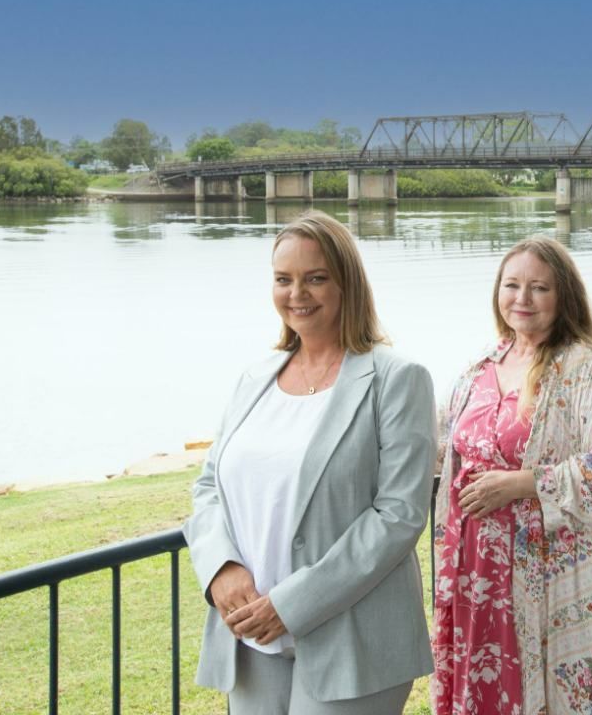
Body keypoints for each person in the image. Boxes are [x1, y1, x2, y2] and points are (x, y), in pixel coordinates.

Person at [185, 210, 436, 714]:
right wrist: (221, 570)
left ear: (347, 283)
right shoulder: (254, 378)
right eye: (284, 279)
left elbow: (399, 515)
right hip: (251, 634)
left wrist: (292, 604)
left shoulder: (397, 379)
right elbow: (209, 485)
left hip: (355, 639)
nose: (296, 294)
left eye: (315, 278)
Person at [432, 236, 592, 715]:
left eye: (538, 288)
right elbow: (440, 446)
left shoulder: (584, 369)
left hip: (544, 577)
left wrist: (525, 483)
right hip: (477, 576)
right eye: (512, 285)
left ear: (563, 296)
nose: (522, 298)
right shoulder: (480, 367)